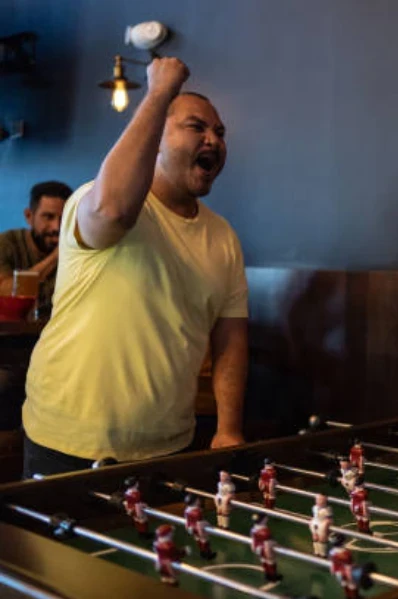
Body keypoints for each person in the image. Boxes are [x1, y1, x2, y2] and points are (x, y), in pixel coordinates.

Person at [20, 57, 248, 478]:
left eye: (219, 132)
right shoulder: (96, 200)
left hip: (167, 446)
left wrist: (228, 428)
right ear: (156, 139)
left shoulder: (223, 237)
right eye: (196, 127)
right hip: (66, 441)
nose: (213, 139)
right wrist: (160, 91)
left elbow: (229, 336)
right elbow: (112, 210)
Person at [0, 180, 71, 317]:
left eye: (64, 218)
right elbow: (7, 292)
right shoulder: (7, 244)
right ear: (29, 216)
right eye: (48, 217)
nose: (56, 227)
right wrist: (55, 258)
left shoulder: (78, 252)